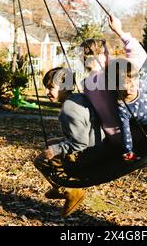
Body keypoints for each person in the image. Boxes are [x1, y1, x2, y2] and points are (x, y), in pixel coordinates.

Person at [33, 67, 104, 217]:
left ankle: (70, 191)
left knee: (40, 159)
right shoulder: (78, 98)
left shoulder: (69, 109)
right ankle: (60, 185)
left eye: (50, 87)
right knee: (50, 143)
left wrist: (55, 150)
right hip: (99, 144)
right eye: (47, 87)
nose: (47, 92)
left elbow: (80, 143)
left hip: (89, 153)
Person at [80, 15, 147, 145]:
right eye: (106, 53)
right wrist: (119, 30)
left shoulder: (85, 84)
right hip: (135, 136)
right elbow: (140, 56)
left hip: (113, 140)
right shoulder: (109, 75)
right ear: (100, 57)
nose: (109, 56)